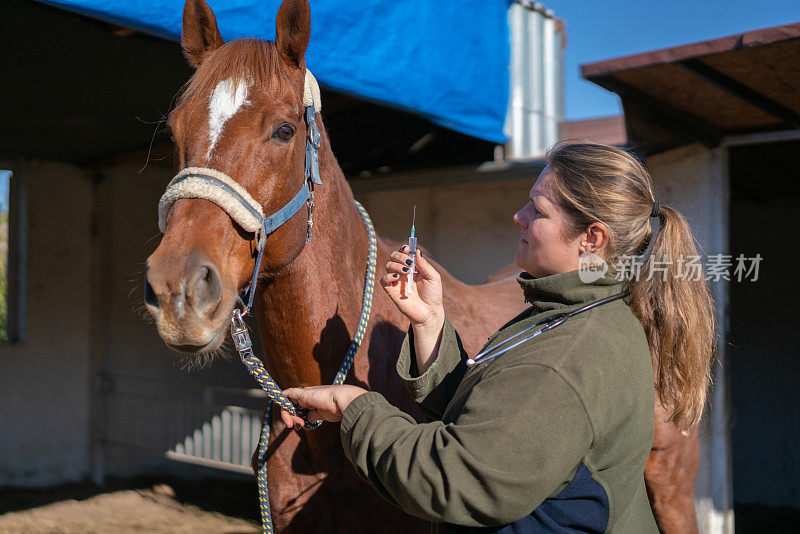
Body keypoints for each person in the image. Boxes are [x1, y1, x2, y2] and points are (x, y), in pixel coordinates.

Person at [279, 142, 715, 532]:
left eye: (538, 210)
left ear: (592, 237)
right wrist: (430, 322)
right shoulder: (577, 314)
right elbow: (497, 418)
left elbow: (457, 480)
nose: (518, 216)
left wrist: (355, 407)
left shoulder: (566, 355)